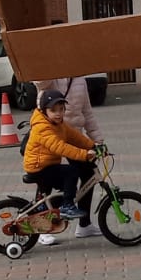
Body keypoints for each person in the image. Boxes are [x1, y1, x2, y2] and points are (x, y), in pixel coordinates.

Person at [22, 89, 102, 242]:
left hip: (49, 164)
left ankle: (61, 212)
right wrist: (85, 154)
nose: (58, 113)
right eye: (53, 110)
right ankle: (62, 210)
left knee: (67, 187)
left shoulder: (59, 124)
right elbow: (60, 147)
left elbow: (75, 136)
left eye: (61, 109)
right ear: (44, 110)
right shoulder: (42, 127)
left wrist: (93, 145)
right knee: (71, 173)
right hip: (39, 167)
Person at [36, 74, 103, 145]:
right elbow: (40, 82)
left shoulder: (80, 80)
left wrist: (98, 139)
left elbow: (87, 112)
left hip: (75, 136)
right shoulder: (48, 79)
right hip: (54, 137)